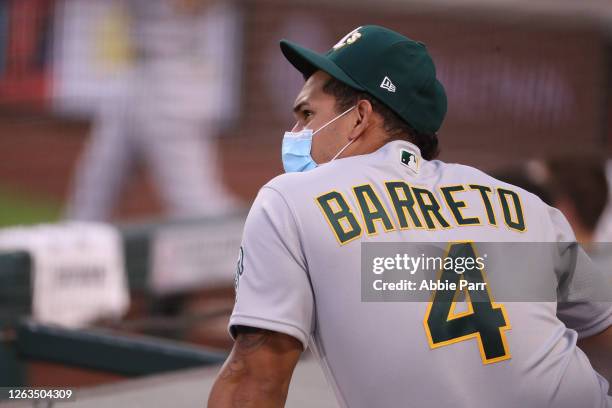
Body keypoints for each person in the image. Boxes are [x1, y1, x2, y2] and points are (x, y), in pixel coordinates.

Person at [208, 26, 612, 407]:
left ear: (359, 117)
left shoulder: (291, 200)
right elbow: (604, 326)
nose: (295, 130)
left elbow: (255, 378)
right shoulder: (525, 205)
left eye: (307, 114)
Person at [65, 0, 240, 221]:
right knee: (93, 190)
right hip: (133, 75)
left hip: (174, 79)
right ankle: (74, 251)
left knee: (196, 205)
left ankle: (255, 239)